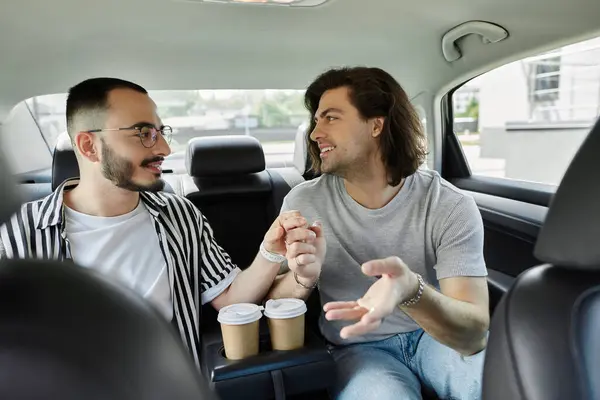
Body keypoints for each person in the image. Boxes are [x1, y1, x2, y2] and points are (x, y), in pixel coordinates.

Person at [0, 77, 324, 366]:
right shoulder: (15, 234)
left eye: (160, 132)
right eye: (144, 133)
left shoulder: (178, 215)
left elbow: (229, 298)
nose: (165, 148)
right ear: (89, 146)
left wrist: (270, 251)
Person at [267, 67, 489, 400]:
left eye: (330, 118)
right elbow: (273, 303)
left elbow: (473, 335)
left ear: (376, 124)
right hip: (358, 351)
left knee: (490, 383)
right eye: (315, 121)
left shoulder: (449, 204)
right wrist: (302, 278)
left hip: (434, 337)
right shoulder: (303, 202)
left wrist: (410, 289)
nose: (315, 133)